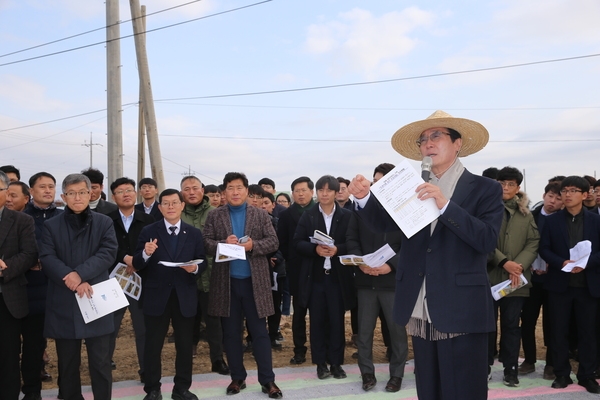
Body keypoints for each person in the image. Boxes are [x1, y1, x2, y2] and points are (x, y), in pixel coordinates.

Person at [348, 110, 504, 399]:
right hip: (420, 303)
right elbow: (384, 223)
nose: (427, 143)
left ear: (458, 144)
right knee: (429, 389)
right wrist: (362, 197)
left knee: (464, 389)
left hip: (462, 308)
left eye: (436, 136)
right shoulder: (412, 186)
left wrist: (445, 205)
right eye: (423, 139)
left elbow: (485, 240)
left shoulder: (486, 188)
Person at [203, 172, 282, 399]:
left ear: (247, 191)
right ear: (224, 192)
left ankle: (268, 381)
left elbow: (273, 241)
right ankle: (237, 378)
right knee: (231, 334)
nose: (235, 192)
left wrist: (252, 246)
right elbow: (206, 242)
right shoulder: (215, 215)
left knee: (259, 333)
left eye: (239, 188)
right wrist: (222, 243)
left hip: (254, 284)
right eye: (230, 188)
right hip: (226, 284)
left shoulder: (259, 214)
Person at [40, 173, 118, 400]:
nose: (77, 198)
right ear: (63, 197)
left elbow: (108, 252)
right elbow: (46, 256)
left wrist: (80, 274)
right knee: (68, 364)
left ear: (91, 193)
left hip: (95, 298)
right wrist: (69, 276)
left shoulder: (104, 222)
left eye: (82, 192)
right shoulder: (51, 225)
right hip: (64, 300)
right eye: (71, 193)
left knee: (101, 362)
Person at [133, 188, 206, 400]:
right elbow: (137, 263)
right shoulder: (149, 231)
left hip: (184, 296)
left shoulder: (193, 233)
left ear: (182, 205)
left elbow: (202, 261)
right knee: (153, 345)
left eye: (175, 202)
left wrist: (195, 269)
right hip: (157, 297)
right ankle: (153, 389)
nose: (171, 207)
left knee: (184, 345)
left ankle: (181, 388)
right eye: (166, 203)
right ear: (160, 207)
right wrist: (146, 253)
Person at [346, 163, 408, 393]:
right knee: (363, 333)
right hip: (366, 282)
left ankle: (397, 375)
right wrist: (362, 263)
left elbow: (411, 246)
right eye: (375, 180)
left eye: (383, 181)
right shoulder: (361, 209)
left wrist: (391, 266)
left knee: (397, 332)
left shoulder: (405, 209)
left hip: (392, 283)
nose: (377, 184)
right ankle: (367, 374)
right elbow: (351, 238)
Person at [539, 176, 600, 394]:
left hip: (588, 286)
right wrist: (560, 262)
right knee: (558, 332)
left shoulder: (596, 221)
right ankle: (562, 374)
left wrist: (586, 263)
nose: (567, 194)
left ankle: (587, 375)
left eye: (573, 190)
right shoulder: (551, 221)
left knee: (588, 333)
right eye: (565, 190)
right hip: (559, 285)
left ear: (585, 195)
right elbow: (544, 249)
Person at [294, 175, 355, 380]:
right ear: (316, 193)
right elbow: (297, 242)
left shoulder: (346, 216)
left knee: (337, 321)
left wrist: (338, 249)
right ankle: (321, 364)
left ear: (337, 192)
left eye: (329, 190)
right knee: (317, 322)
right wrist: (315, 249)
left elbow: (353, 244)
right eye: (321, 190)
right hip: (316, 278)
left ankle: (337, 363)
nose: (325, 194)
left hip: (337, 278)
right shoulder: (308, 216)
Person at [487, 166, 539, 387]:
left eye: (511, 184)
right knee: (487, 325)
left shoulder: (526, 214)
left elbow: (533, 241)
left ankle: (510, 369)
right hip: (487, 278)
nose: (505, 188)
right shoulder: (485, 210)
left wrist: (518, 266)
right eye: (501, 183)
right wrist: (503, 262)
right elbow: (480, 239)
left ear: (518, 188)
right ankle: (485, 365)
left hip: (515, 282)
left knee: (511, 325)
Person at [179, 176, 229, 376]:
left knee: (213, 321)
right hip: (183, 277)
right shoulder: (177, 213)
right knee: (186, 320)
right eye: (186, 189)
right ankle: (186, 357)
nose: (191, 192)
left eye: (195, 188)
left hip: (212, 275)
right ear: (181, 192)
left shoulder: (216, 214)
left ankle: (217, 359)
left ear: (202, 190)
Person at [106, 177, 154, 382]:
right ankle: (103, 369)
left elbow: (153, 246)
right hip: (112, 281)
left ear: (135, 193)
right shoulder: (105, 219)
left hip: (140, 281)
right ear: (113, 196)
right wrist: (126, 258)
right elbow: (104, 246)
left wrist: (138, 262)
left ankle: (146, 371)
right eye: (120, 191)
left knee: (143, 328)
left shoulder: (148, 220)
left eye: (129, 190)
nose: (126, 194)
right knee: (109, 328)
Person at [22, 172, 63, 398]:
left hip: (62, 289)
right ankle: (31, 391)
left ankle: (66, 389)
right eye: (42, 187)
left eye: (51, 186)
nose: (48, 190)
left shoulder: (65, 217)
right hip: (33, 290)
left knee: (67, 346)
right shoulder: (22, 217)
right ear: (31, 191)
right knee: (33, 346)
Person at [0, 170, 38, 400]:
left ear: (6, 192)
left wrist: (5, 267)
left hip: (8, 298)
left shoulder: (22, 220)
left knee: (8, 357)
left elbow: (30, 254)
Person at [520, 181, 562, 380]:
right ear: (544, 195)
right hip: (531, 278)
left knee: (553, 323)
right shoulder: (529, 216)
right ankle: (529, 360)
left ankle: (551, 364)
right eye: (550, 196)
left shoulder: (563, 221)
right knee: (527, 320)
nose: (552, 201)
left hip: (554, 279)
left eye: (558, 198)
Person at [277, 176, 316, 365]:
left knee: (318, 312)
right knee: (299, 312)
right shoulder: (285, 215)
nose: (300, 194)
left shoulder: (320, 212)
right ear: (292, 194)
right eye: (297, 191)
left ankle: (318, 348)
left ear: (312, 192)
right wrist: (292, 258)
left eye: (304, 190)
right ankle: (299, 350)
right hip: (297, 268)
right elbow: (282, 242)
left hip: (318, 267)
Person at [260, 192, 287, 349]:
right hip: (257, 270)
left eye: (266, 203)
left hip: (277, 270)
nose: (263, 206)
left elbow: (282, 244)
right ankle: (256, 337)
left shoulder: (279, 223)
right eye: (260, 203)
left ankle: (272, 336)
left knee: (275, 305)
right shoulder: (252, 223)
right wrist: (264, 259)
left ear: (273, 205)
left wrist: (274, 258)